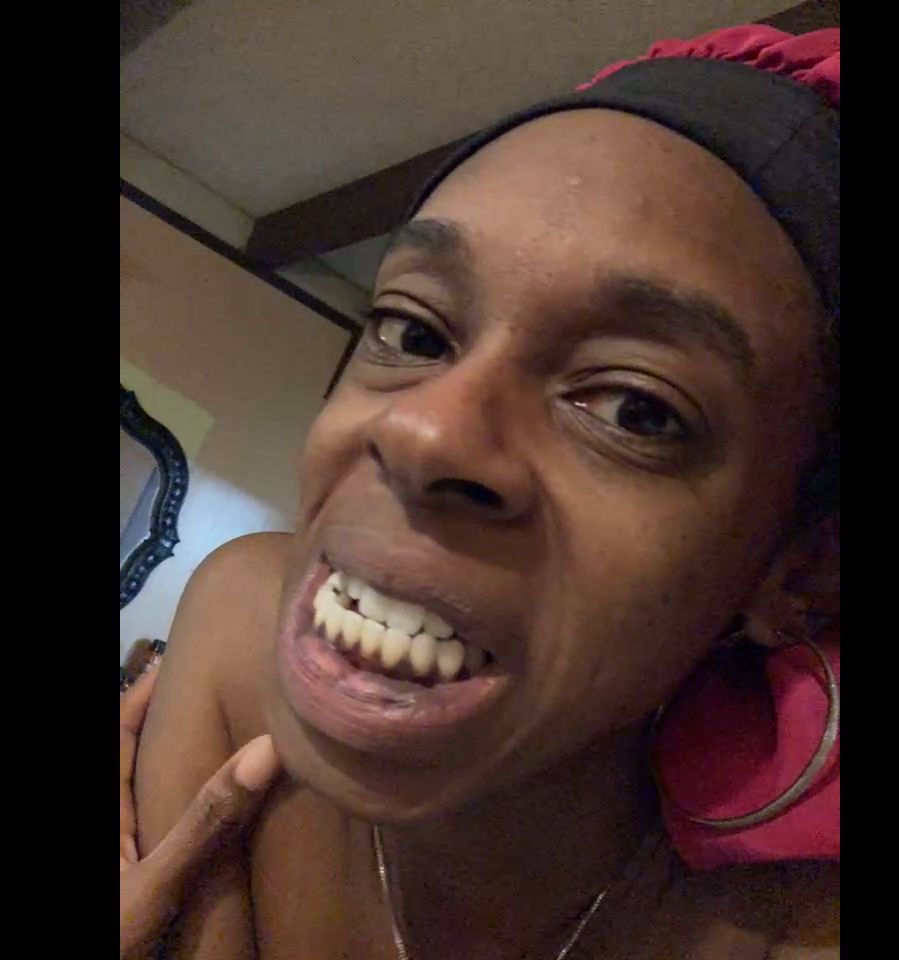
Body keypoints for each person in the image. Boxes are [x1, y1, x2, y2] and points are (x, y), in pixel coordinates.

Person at [123, 23, 840, 959]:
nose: (422, 430)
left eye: (638, 408)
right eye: (413, 332)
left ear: (801, 575)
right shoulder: (240, 624)